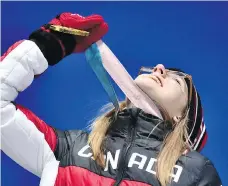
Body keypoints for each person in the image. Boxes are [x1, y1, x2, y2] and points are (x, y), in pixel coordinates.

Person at [0, 12, 222, 186]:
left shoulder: (196, 172)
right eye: (159, 68)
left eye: (178, 80)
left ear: (180, 117)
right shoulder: (68, 149)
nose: (160, 68)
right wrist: (49, 44)